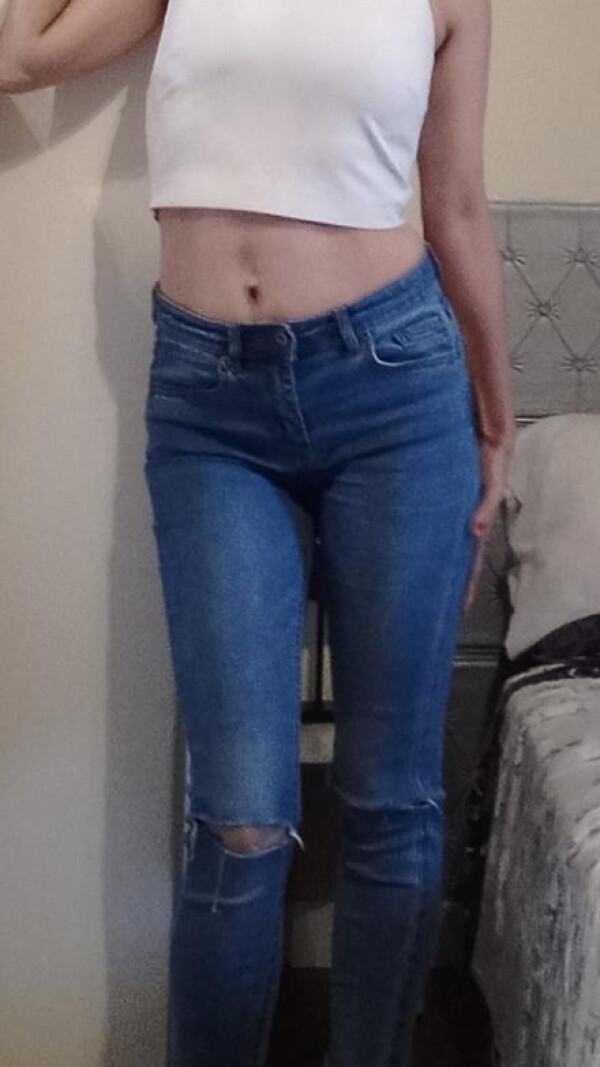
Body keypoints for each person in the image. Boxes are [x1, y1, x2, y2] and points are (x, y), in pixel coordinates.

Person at [1, 0, 515, 1063]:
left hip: (397, 395)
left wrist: (497, 418)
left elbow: (458, 206)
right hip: (209, 410)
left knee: (392, 798)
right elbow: (20, 54)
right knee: (237, 819)